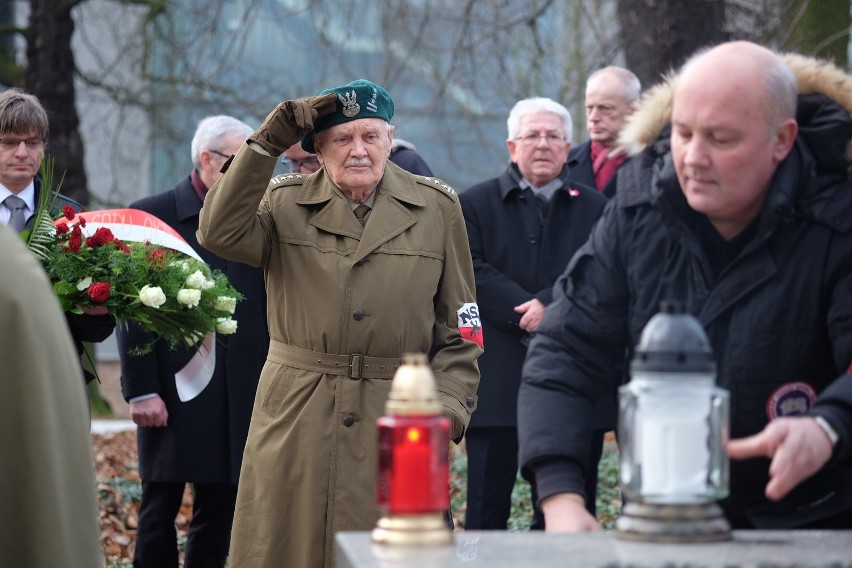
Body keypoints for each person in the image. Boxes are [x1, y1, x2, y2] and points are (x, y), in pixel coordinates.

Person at [517, 41, 852, 532]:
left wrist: (828, 425)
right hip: (661, 518)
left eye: (720, 138)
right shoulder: (635, 213)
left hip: (816, 521)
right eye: (683, 132)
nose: (692, 158)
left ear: (782, 140)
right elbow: (565, 351)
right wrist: (561, 497)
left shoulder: (838, 221)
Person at [196, 79, 482, 567]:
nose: (358, 151)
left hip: (399, 415)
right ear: (318, 150)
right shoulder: (283, 204)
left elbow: (463, 329)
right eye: (342, 139)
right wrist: (264, 144)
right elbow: (218, 231)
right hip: (296, 415)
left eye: (370, 136)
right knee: (282, 548)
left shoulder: (436, 208)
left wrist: (444, 413)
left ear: (390, 140)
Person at [117, 115, 269, 567]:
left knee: (220, 508)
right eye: (238, 162)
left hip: (237, 390)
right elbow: (131, 311)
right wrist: (142, 388)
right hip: (172, 389)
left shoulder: (256, 218)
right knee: (159, 504)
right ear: (207, 160)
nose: (249, 175)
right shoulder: (151, 214)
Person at [459, 97, 607, 530]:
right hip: (497, 380)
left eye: (553, 136)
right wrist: (525, 310)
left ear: (568, 146)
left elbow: (602, 269)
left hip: (575, 381)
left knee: (567, 509)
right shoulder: (473, 204)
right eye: (532, 135)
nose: (542, 144)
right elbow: (469, 269)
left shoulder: (598, 208)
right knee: (486, 510)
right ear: (511, 146)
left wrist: (550, 303)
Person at [0, 224, 101, 567]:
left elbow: (99, 327)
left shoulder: (72, 220)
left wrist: (97, 305)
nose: (21, 163)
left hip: (42, 388)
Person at [0, 88, 114, 383]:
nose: (23, 153)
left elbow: (96, 332)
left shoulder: (73, 217)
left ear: (44, 146)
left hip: (51, 381)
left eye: (33, 143)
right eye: (10, 143)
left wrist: (97, 312)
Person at [566, 66, 640, 197]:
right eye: (589, 108)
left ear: (633, 112)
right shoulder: (564, 163)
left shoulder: (654, 162)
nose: (593, 118)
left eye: (605, 108)